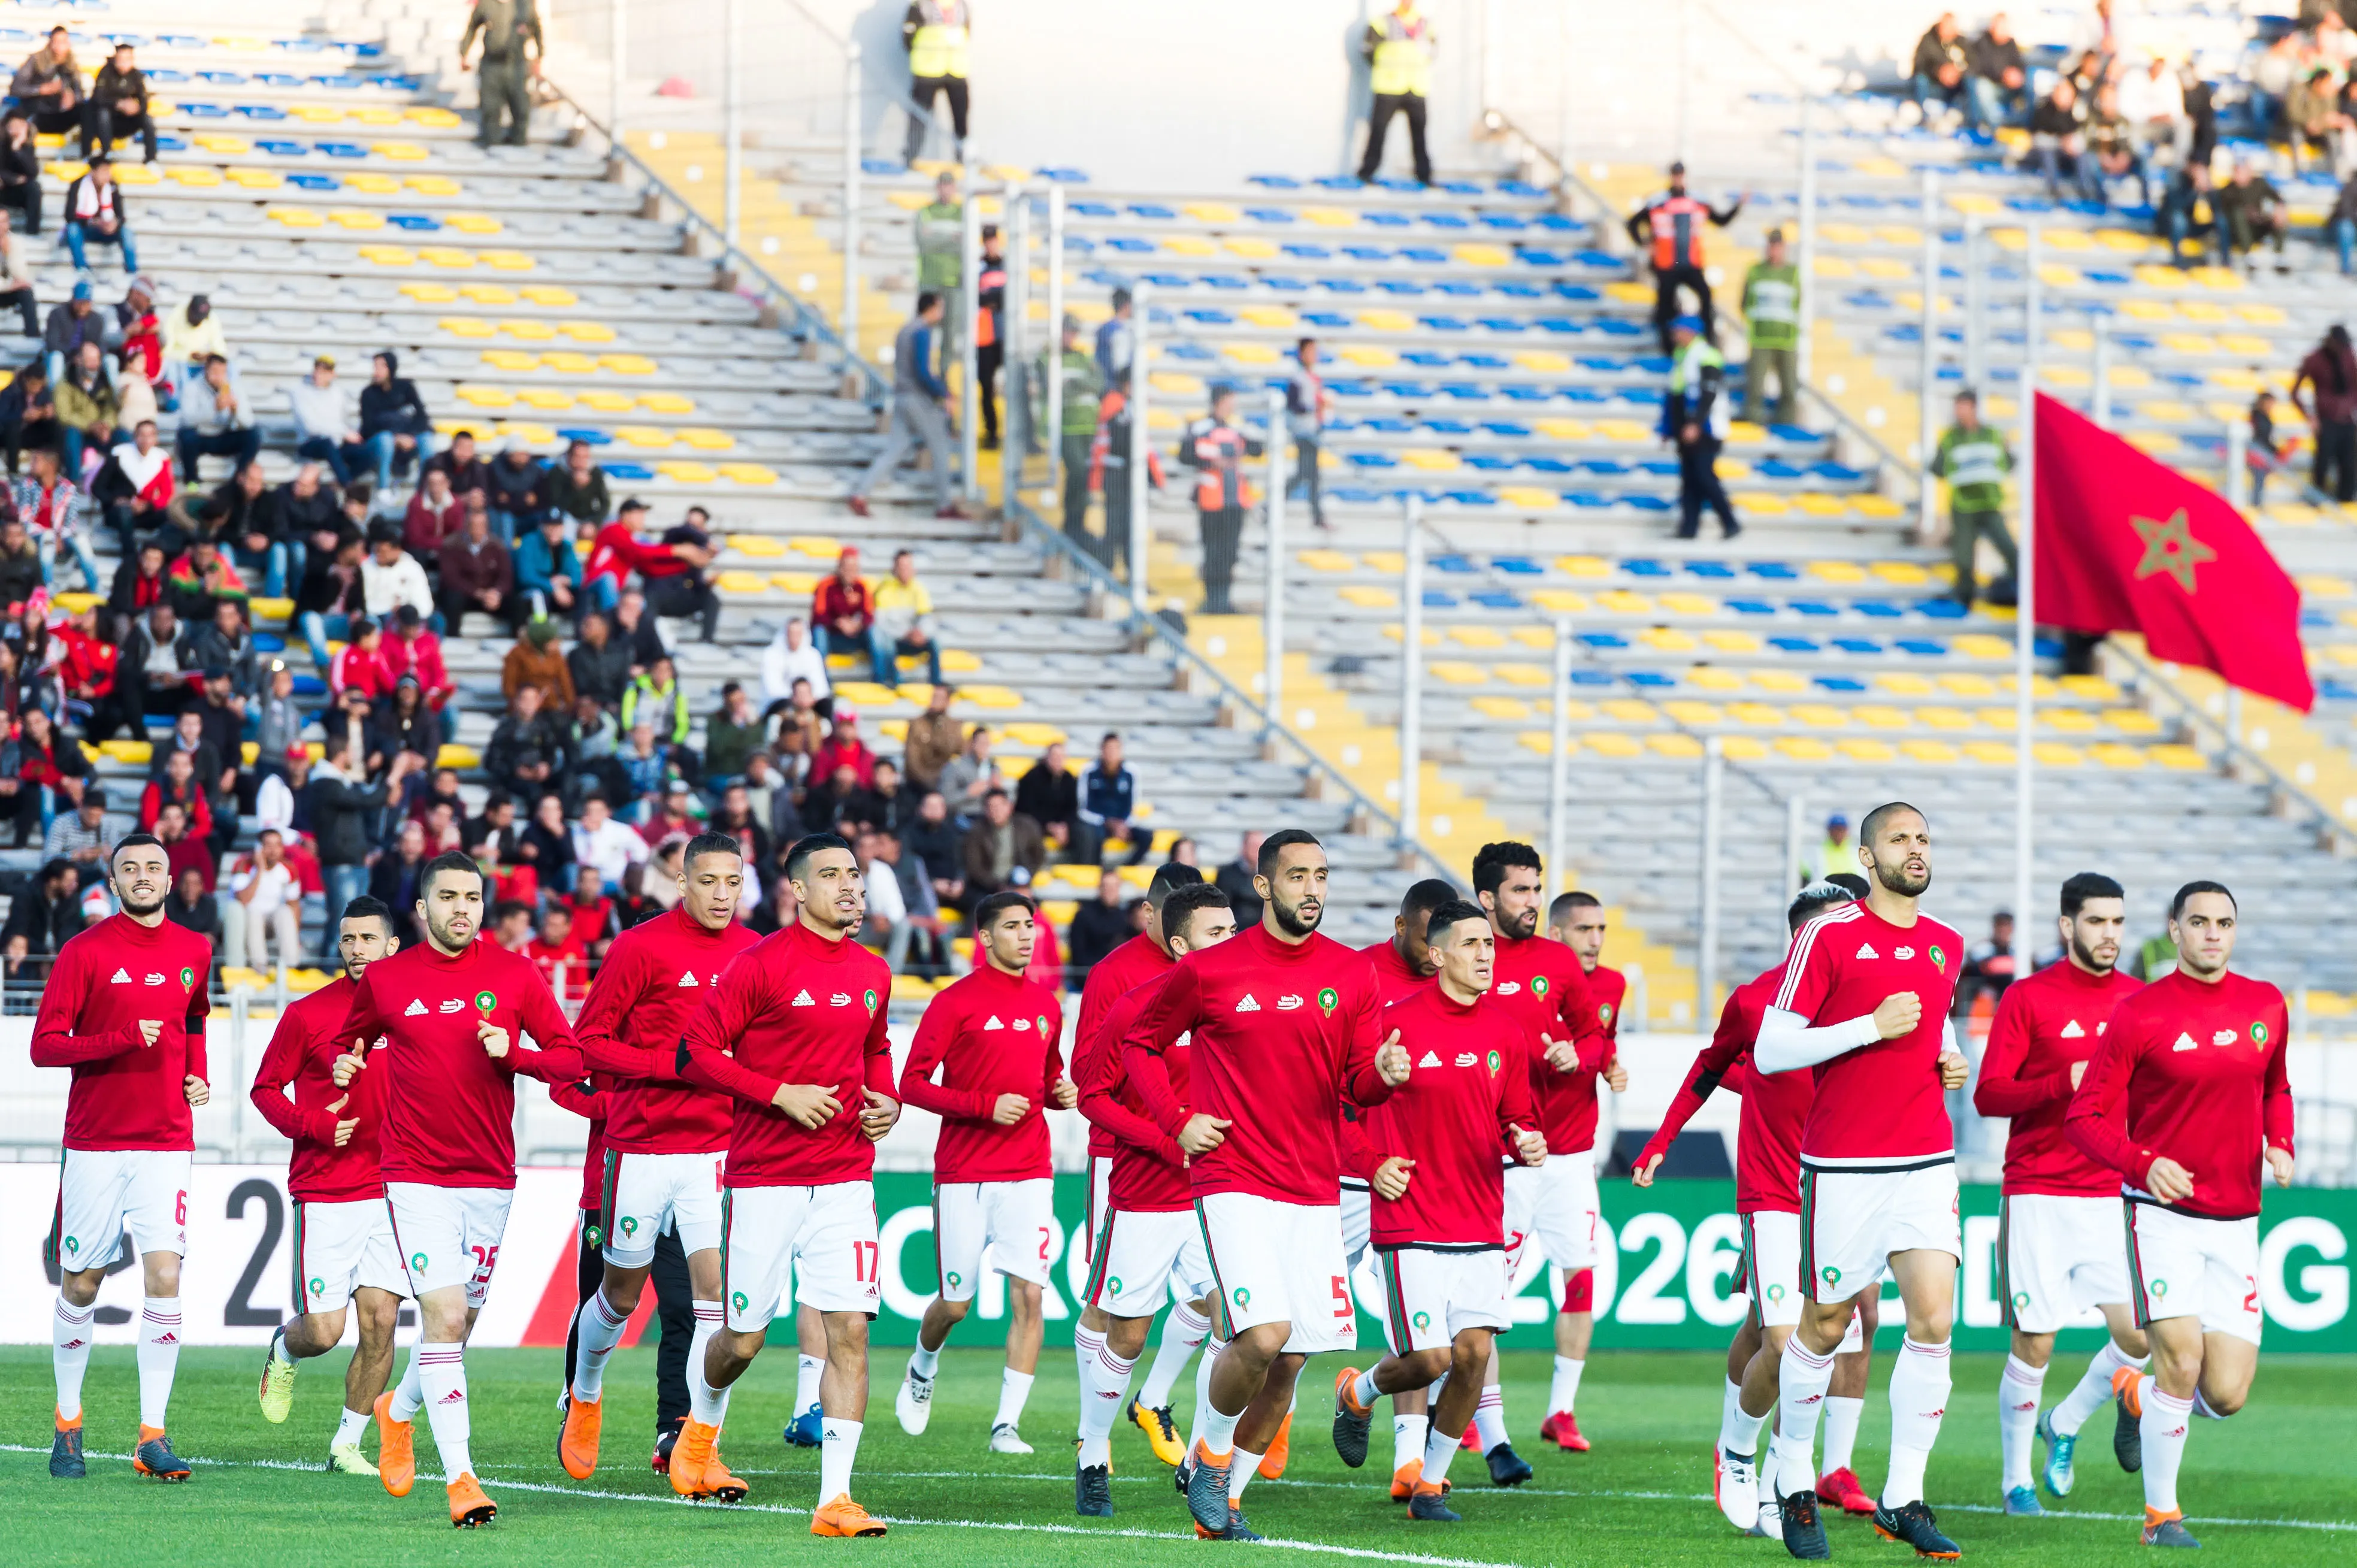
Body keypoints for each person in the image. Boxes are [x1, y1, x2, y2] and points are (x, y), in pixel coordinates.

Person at [1122, 831, 1408, 1541]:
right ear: (1262, 885)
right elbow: (1138, 1044)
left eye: (1321, 875)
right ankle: (1209, 1459)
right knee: (1261, 1335)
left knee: (1290, 1359)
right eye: (1296, 876)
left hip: (1313, 1189)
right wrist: (1176, 1118)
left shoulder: (1352, 974)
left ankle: (1222, 1506)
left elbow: (1357, 1084)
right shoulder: (1211, 970)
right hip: (1232, 1178)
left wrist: (1386, 1075)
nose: (1311, 888)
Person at [330, 850, 585, 1527]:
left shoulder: (516, 973)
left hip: (490, 1176)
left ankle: (399, 1409)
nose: (462, 908)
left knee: (460, 1324)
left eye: (472, 896)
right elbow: (348, 1038)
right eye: (448, 896)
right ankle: (463, 1478)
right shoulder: (386, 979)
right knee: (442, 1317)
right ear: (422, 908)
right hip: (414, 1174)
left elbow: (568, 1057)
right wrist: (342, 1059)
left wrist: (518, 1054)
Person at [1754, 801, 1973, 1560]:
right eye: (1898, 839)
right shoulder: (1827, 932)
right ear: (1868, 856)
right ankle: (1790, 1479)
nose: (1914, 848)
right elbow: (1772, 1049)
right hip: (1844, 1164)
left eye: (1922, 835)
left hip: (1924, 1160)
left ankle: (1902, 1495)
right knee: (1824, 1326)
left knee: (1934, 1321)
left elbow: (1933, 1023)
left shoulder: (1946, 943)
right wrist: (1866, 1028)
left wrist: (1947, 1058)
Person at [1636, 879, 1887, 1534]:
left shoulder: (1875, 1006)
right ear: (1806, 936)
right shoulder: (1754, 1000)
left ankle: (1783, 1470)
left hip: (1842, 1192)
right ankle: (1745, 1454)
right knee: (1787, 1342)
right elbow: (1707, 1067)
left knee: (1785, 1333)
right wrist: (1660, 1141)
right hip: (1772, 1192)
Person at [674, 833, 901, 1534]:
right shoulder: (757, 965)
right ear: (797, 890)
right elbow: (695, 1052)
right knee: (742, 1341)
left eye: (855, 875)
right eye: (831, 875)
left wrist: (885, 1099)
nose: (849, 887)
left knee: (849, 1335)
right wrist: (779, 1093)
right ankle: (699, 1432)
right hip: (764, 1179)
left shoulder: (872, 969)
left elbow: (875, 1047)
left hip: (844, 1180)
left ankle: (834, 1499)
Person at [2065, 881, 2293, 1550]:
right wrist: (2141, 1163)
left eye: (2223, 921)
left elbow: (2275, 1086)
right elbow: (2083, 1118)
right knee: (2182, 1360)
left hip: (2236, 1221)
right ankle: (2160, 1516)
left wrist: (2278, 1140)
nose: (2212, 933)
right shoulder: (2139, 1014)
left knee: (2225, 1393)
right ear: (2173, 930)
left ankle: (2134, 1394)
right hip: (2159, 1217)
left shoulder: (2264, 1004)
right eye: (2198, 922)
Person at [1334, 899, 1545, 1522]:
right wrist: (1373, 1164)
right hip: (1409, 1220)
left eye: (1490, 944)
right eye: (1473, 943)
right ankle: (1357, 1389)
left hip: (1479, 1218)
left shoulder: (1505, 1031)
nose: (1487, 954)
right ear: (1436, 953)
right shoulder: (1391, 1025)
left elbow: (1516, 1117)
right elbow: (1340, 1112)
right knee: (1429, 1359)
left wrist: (1525, 1139)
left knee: (1473, 1354)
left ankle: (1429, 1483)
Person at [556, 833, 759, 1478]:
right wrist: (671, 1065)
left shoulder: (756, 952)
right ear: (681, 881)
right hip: (639, 1147)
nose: (722, 894)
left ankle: (698, 1441)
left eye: (733, 881)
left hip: (714, 1151)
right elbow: (588, 1043)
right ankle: (585, 1393)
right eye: (709, 881)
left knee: (712, 1301)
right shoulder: (640, 946)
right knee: (618, 1294)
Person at [33, 833, 213, 1484]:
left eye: (154, 867)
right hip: (95, 1142)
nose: (143, 876)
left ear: (172, 879)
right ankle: (68, 1423)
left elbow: (194, 1018)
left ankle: (152, 1435)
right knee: (81, 1282)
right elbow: (44, 1046)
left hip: (167, 1138)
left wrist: (199, 1075)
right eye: (130, 868)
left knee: (165, 1276)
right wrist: (115, 1040)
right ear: (114, 883)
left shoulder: (196, 948)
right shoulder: (85, 951)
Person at [1970, 872, 2150, 1516]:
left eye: (2117, 922)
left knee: (2140, 1335)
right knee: (2035, 1343)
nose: (2108, 933)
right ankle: (2014, 1479)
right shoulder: (2027, 998)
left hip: (2112, 1193)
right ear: (2067, 925)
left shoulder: (2139, 1000)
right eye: (2096, 921)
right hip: (2039, 1191)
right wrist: (2060, 1080)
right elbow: (1988, 1093)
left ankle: (2065, 1421)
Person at [1068, 880, 1235, 1515]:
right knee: (1128, 1333)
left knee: (1235, 1321)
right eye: (1213, 932)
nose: (1228, 941)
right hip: (1146, 1193)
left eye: (1230, 930)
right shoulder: (1133, 1005)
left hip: (1219, 1193)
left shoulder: (1236, 1009)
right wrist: (1168, 1138)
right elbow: (1092, 1095)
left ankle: (1201, 1458)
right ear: (1177, 942)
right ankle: (1092, 1451)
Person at [892, 891, 1073, 1452]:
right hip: (964, 1172)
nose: (1025, 936)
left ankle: (1006, 1424)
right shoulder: (953, 1003)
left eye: (1031, 927)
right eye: (1014, 927)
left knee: (1030, 1297)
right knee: (955, 1304)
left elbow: (1047, 1077)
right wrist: (982, 1105)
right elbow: (912, 1084)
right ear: (986, 938)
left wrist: (1058, 1093)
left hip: (1029, 1172)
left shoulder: (1047, 1006)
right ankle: (922, 1367)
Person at [248, 898, 410, 1474]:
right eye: (348, 939)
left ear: (393, 945)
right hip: (328, 1188)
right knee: (324, 1331)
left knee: (382, 1323)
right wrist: (312, 1125)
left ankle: (348, 1444)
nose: (357, 949)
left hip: (396, 1191)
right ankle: (284, 1349)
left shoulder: (412, 1010)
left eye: (369, 938)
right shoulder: (309, 1015)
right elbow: (265, 1090)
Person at [1465, 843, 1614, 1465]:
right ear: (1487, 898)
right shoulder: (1468, 954)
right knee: (1482, 1291)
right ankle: (1476, 1414)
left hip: (1567, 1155)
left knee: (1580, 1273)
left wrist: (1577, 1055)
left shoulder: (1556, 961)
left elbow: (1593, 1036)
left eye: (1535, 889)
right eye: (1519, 890)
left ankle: (1559, 1407)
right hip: (1493, 1154)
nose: (1529, 901)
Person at [849, 292, 959, 520]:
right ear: (931, 308)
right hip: (916, 397)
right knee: (940, 447)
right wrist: (944, 393)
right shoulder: (921, 332)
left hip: (901, 396)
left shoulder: (905, 330)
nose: (941, 312)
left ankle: (861, 493)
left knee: (896, 448)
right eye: (940, 307)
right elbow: (922, 371)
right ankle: (944, 505)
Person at [1628, 162, 1744, 356]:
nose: (1678, 178)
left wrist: (1739, 205)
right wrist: (1646, 243)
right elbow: (1633, 223)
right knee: (1666, 305)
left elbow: (1721, 220)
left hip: (1690, 263)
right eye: (1675, 175)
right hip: (1667, 264)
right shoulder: (1658, 201)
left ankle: (1707, 339)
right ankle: (1668, 346)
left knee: (1705, 296)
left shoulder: (1697, 201)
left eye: (1680, 175)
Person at [1179, 384, 1260, 616]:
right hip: (1210, 498)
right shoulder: (1201, 427)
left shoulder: (1238, 427)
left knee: (1230, 552)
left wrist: (1240, 453)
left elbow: (1257, 448)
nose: (1232, 406)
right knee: (1212, 551)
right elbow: (1186, 455)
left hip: (1235, 499)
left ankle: (1224, 600)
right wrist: (1212, 461)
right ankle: (1211, 599)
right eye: (1229, 400)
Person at [1932, 389, 2015, 606]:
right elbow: (1937, 467)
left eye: (1964, 406)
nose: (1960, 412)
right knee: (1964, 558)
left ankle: (2018, 588)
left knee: (2009, 548)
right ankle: (1964, 598)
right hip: (1964, 505)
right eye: (1958, 407)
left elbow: (2009, 462)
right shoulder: (1951, 438)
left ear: (1974, 408)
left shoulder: (1993, 435)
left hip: (1990, 503)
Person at [1666, 314, 1737, 541]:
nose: (1675, 335)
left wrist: (1696, 423)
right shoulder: (1683, 356)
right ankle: (1689, 527)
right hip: (1688, 425)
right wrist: (1670, 427)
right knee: (1690, 477)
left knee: (1703, 474)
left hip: (1706, 426)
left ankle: (1729, 521)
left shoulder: (1707, 355)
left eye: (1678, 330)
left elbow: (1709, 393)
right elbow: (1677, 396)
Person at [1088, 372, 1160, 576]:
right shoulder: (1117, 406)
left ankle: (1129, 574)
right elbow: (1122, 441)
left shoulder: (1126, 406)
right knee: (1116, 527)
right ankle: (1108, 572)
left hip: (1127, 476)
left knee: (1129, 529)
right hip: (1118, 476)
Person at [1039, 313, 1102, 543]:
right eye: (1068, 331)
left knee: (1086, 477)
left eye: (1074, 332)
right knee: (1077, 471)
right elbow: (1054, 388)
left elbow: (1098, 382)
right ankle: (1071, 522)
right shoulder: (1048, 357)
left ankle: (1080, 524)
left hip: (1089, 425)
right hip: (1067, 425)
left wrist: (1075, 383)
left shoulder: (1082, 357)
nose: (1071, 337)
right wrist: (1080, 385)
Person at [1739, 231, 1801, 428]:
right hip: (1761, 338)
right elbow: (1745, 303)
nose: (1774, 250)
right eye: (1772, 245)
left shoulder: (1793, 273)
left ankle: (1786, 425)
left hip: (1786, 339)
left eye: (1778, 246)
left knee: (1789, 387)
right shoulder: (1755, 271)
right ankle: (1754, 422)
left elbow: (1798, 302)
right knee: (1756, 386)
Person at [461, 0, 542, 149]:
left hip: (516, 65)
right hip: (492, 65)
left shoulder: (524, 5)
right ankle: (493, 148)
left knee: (521, 109)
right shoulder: (486, 4)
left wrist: (539, 57)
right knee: (490, 109)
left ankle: (519, 149)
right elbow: (472, 27)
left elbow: (537, 29)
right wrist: (464, 53)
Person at [2292, 325, 2357, 505]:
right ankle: (2317, 500)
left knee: (2349, 464)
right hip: (2326, 420)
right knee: (2323, 462)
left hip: (2348, 420)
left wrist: (2351, 406)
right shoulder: (2315, 360)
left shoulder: (2349, 357)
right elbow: (2295, 392)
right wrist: (2310, 417)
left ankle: (2346, 501)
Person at [901, 2, 972, 165]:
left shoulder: (961, 5)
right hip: (927, 70)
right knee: (919, 117)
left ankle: (963, 159)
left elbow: (967, 31)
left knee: (961, 119)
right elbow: (908, 37)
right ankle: (911, 159)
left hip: (956, 70)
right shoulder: (920, 6)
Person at [357, 351, 433, 502]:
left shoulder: (406, 388)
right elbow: (368, 427)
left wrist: (410, 436)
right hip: (380, 440)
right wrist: (396, 437)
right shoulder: (368, 394)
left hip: (408, 437)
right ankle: (383, 487)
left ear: (391, 368)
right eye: (375, 366)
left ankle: (424, 490)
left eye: (382, 366)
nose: (377, 371)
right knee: (386, 440)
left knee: (427, 440)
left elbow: (422, 416)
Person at [225, 828, 302, 974]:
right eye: (268, 845)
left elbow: (294, 904)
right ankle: (260, 967)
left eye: (277, 845)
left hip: (273, 919)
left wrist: (296, 933)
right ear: (259, 847)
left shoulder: (289, 868)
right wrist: (260, 869)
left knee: (285, 912)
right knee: (254, 914)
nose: (273, 850)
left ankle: (291, 966)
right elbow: (243, 899)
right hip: (248, 916)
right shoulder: (244, 864)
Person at [176, 355, 259, 483]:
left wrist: (236, 410)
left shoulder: (234, 388)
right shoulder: (192, 387)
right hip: (202, 436)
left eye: (222, 372)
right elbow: (187, 420)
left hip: (224, 435)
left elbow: (249, 422)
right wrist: (213, 408)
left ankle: (238, 479)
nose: (219, 376)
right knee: (185, 436)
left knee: (253, 435)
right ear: (206, 371)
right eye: (215, 372)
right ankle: (192, 480)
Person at [872, 547, 941, 686]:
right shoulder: (884, 590)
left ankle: (937, 684)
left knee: (934, 642)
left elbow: (926, 617)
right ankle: (892, 681)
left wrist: (921, 633)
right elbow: (882, 624)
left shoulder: (919, 589)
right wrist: (906, 633)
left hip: (913, 638)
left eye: (908, 566)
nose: (906, 570)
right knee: (885, 643)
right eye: (902, 567)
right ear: (895, 569)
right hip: (896, 638)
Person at [61, 155, 135, 276]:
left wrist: (114, 223)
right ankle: (82, 269)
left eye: (108, 171)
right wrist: (93, 222)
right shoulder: (78, 185)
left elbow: (121, 216)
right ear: (93, 172)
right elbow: (69, 216)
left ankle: (131, 271)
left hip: (108, 230)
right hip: (87, 229)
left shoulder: (113, 187)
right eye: (104, 171)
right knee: (72, 229)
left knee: (127, 232)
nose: (107, 175)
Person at [11, 28, 86, 145]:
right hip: (38, 113)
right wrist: (41, 89)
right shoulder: (36, 60)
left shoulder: (71, 65)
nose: (60, 46)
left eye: (64, 41)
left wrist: (72, 98)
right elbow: (16, 89)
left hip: (60, 115)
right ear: (51, 42)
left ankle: (87, 151)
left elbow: (80, 94)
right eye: (57, 41)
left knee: (87, 110)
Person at [89, 42, 156, 165]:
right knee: (103, 114)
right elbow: (97, 98)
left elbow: (144, 101)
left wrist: (136, 107)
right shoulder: (105, 72)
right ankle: (107, 152)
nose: (124, 62)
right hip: (108, 121)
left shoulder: (136, 76)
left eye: (127, 59)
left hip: (127, 121)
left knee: (148, 119)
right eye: (121, 59)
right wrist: (118, 104)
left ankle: (151, 159)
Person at [1076, 730, 1137, 865]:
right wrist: (1106, 821)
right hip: (1098, 822)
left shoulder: (1130, 773)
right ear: (1102, 750)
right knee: (1093, 835)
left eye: (1115, 748)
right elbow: (1083, 808)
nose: (1112, 753)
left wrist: (1122, 824)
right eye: (1109, 748)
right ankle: (1096, 869)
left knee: (1146, 837)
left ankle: (1126, 869)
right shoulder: (1089, 771)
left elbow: (1133, 804)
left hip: (1121, 823)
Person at [1968, 13, 2028, 131]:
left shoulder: (2010, 43)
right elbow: (1982, 66)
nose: (2002, 31)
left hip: (2009, 87)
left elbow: (2020, 64)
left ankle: (2027, 124)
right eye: (1999, 27)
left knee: (2030, 81)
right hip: (1992, 85)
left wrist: (2018, 75)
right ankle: (1996, 126)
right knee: (1982, 86)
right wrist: (2004, 75)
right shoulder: (1983, 43)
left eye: (2005, 27)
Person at [1911, 13, 1969, 125]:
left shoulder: (1962, 42)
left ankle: (1961, 116)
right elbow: (1918, 65)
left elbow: (1974, 64)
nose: (1948, 30)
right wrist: (1938, 72)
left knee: (1971, 81)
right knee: (1920, 80)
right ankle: (1922, 117)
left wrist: (1957, 72)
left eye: (1951, 27)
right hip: (1933, 85)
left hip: (1954, 87)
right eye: (1945, 27)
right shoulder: (1928, 40)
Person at [0, 108, 41, 236]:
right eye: (13, 126)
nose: (16, 129)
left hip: (16, 190)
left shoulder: (27, 146)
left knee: (34, 188)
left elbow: (33, 172)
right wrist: (14, 179)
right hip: (3, 187)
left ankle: (32, 232)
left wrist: (17, 150)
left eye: (20, 126)